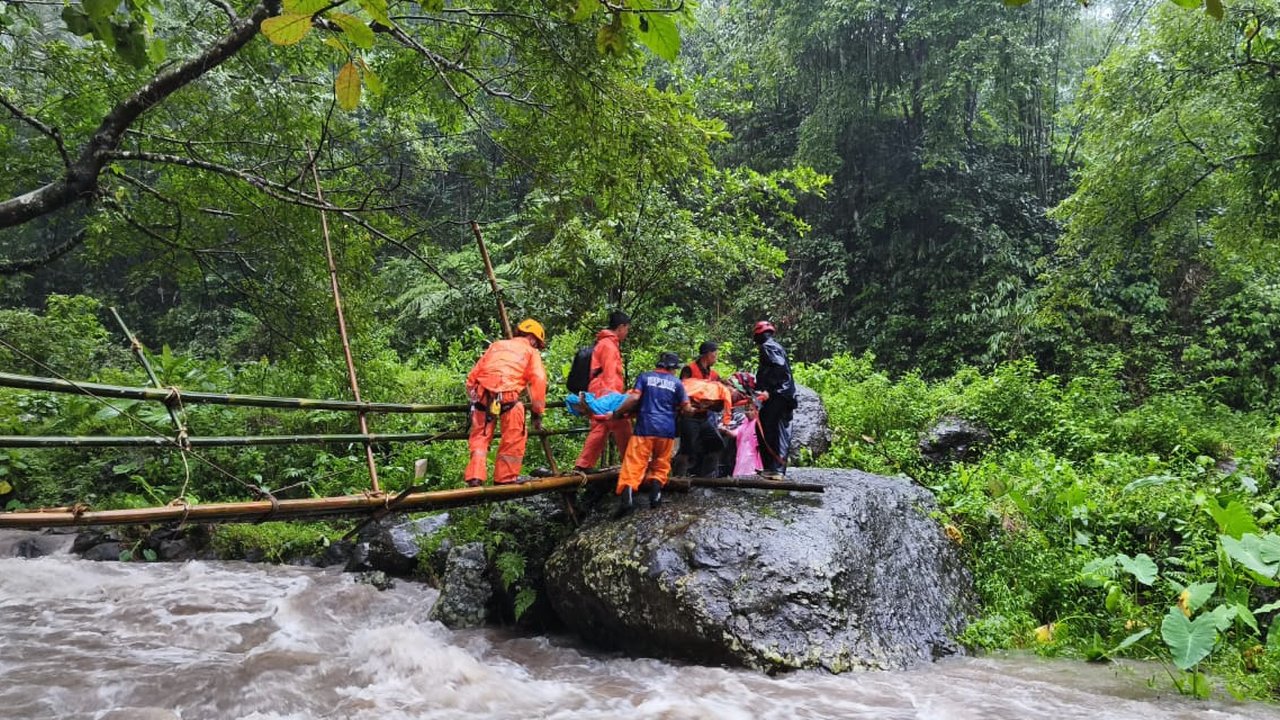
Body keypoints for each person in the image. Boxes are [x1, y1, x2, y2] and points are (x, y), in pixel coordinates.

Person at [603, 352, 691, 516]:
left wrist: (616, 413)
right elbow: (686, 408)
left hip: (645, 428)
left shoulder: (645, 377)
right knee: (661, 463)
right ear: (672, 368)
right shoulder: (677, 384)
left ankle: (627, 501)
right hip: (667, 430)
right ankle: (655, 496)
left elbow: (634, 399)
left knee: (634, 464)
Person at [463, 319, 548, 487]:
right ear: (533, 339)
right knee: (514, 437)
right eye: (537, 344)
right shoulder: (531, 352)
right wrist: (537, 413)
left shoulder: (496, 345)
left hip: (483, 396)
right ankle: (505, 479)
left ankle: (475, 477)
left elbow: (473, 377)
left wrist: (476, 399)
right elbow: (538, 380)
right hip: (508, 398)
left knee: (480, 437)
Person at [572, 310, 632, 472]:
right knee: (622, 425)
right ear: (621, 327)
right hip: (606, 393)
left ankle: (583, 465)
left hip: (600, 392)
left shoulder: (604, 343)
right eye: (627, 329)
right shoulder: (609, 346)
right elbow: (610, 374)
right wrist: (613, 401)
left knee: (601, 428)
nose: (627, 333)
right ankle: (631, 463)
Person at [752, 321, 796, 480]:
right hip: (785, 395)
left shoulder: (767, 346)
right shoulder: (775, 346)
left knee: (768, 428)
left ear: (759, 335)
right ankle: (775, 469)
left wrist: (769, 391)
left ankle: (775, 468)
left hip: (778, 395)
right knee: (779, 429)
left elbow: (778, 367)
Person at [674, 376, 733, 477]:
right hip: (689, 417)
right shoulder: (722, 389)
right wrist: (726, 422)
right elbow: (727, 408)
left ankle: (708, 476)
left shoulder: (703, 385)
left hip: (702, 418)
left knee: (716, 444)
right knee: (687, 449)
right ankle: (678, 476)